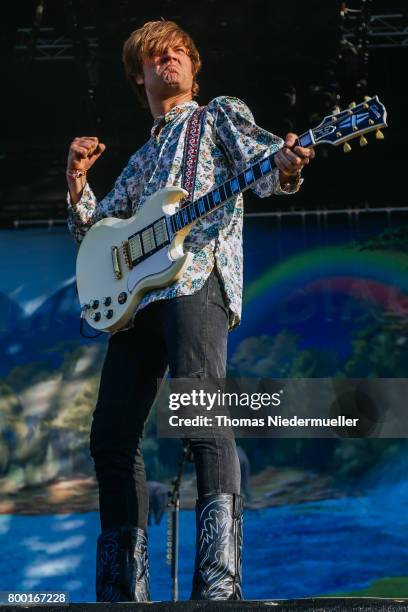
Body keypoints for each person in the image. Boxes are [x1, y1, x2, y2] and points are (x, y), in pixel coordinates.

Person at [65, 20, 315, 602]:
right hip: (137, 302)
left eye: (179, 52)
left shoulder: (217, 116)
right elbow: (97, 236)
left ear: (193, 67)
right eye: (156, 56)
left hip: (197, 279)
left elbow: (268, 169)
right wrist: (78, 181)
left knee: (200, 413)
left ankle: (217, 587)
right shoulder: (141, 158)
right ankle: (121, 588)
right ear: (140, 75)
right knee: (110, 435)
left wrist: (291, 162)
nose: (169, 59)